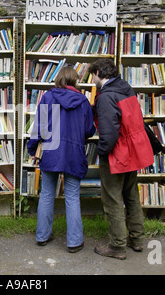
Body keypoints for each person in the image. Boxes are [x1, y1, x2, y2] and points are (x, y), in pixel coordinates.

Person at [88, 58, 154, 260]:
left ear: (99, 72)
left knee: (112, 199)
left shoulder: (106, 96)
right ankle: (137, 240)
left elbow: (109, 131)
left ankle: (117, 246)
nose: (92, 80)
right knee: (131, 195)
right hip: (133, 150)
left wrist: (101, 151)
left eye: (92, 75)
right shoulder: (126, 89)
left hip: (117, 153)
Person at [27, 66, 96, 253]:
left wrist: (32, 148)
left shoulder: (48, 98)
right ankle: (74, 242)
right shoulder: (83, 101)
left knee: (47, 194)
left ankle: (42, 236)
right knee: (72, 196)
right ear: (75, 81)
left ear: (59, 79)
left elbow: (39, 127)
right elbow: (90, 130)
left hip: (50, 152)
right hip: (74, 153)